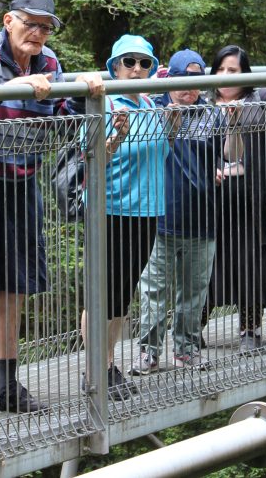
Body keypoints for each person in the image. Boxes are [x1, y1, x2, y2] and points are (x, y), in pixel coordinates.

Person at [0, 0, 103, 424]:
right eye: (30, 24)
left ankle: (7, 383)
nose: (37, 33)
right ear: (9, 22)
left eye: (44, 26)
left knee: (16, 282)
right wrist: (13, 87)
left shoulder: (49, 62)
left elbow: (62, 115)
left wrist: (84, 92)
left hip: (23, 177)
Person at [131, 49, 239, 373]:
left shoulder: (212, 114)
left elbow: (231, 154)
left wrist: (234, 126)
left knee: (194, 293)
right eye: (181, 81)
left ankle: (187, 349)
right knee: (154, 292)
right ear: (169, 79)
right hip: (160, 218)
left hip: (202, 218)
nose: (187, 89)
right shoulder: (154, 108)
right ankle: (148, 352)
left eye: (195, 82)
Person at [81, 34, 168, 397]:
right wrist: (115, 136)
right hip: (111, 210)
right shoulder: (104, 103)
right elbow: (93, 160)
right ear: (114, 67)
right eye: (128, 62)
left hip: (147, 210)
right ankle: (95, 371)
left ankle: (108, 363)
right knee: (101, 294)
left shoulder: (150, 104)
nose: (136, 69)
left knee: (121, 296)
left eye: (144, 63)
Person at [200, 46, 266, 353]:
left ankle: (249, 329)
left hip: (253, 201)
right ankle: (191, 327)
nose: (226, 76)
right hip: (210, 202)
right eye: (221, 70)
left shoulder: (259, 100)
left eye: (233, 71)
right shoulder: (201, 102)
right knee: (206, 262)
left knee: (252, 262)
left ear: (245, 74)